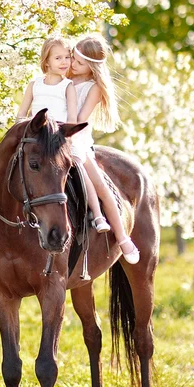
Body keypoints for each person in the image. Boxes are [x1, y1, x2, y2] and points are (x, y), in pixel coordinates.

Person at [0, 35, 110, 254]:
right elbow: (22, 114)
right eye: (59, 58)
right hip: (33, 133)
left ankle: (92, 215)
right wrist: (24, 129)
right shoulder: (35, 84)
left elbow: (72, 118)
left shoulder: (68, 85)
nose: (65, 62)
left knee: (75, 171)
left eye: (68, 58)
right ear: (46, 61)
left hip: (56, 137)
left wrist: (55, 133)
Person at [68, 35, 140, 264]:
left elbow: (79, 119)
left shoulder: (93, 88)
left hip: (77, 137)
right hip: (56, 133)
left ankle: (121, 236)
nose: (72, 64)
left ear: (91, 67)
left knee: (98, 183)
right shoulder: (65, 80)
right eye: (72, 59)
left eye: (78, 62)